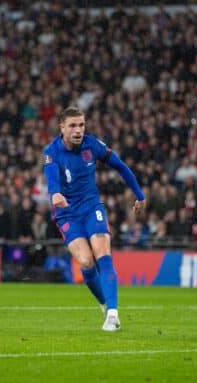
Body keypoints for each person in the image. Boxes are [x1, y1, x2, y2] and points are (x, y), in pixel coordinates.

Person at [43, 106, 146, 331]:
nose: (78, 130)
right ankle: (103, 304)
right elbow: (51, 178)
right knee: (86, 262)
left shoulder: (93, 145)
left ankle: (113, 313)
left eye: (81, 124)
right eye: (72, 126)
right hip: (67, 212)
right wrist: (55, 193)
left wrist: (139, 194)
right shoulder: (52, 151)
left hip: (91, 207)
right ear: (62, 127)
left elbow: (120, 166)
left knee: (103, 255)